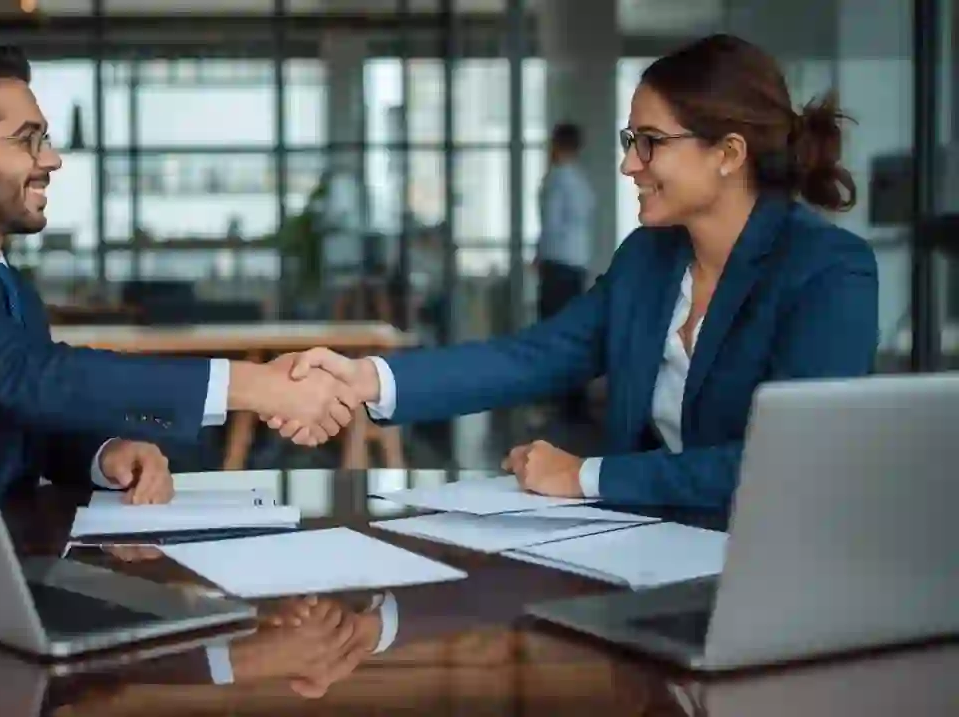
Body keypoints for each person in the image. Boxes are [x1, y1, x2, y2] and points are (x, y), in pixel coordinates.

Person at [272, 34, 879, 510]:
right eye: (629, 140)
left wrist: (586, 476)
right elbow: (532, 357)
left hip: (774, 570)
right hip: (647, 561)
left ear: (728, 153)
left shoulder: (828, 272)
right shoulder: (648, 258)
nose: (628, 164)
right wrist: (365, 379)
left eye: (650, 141)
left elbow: (788, 465)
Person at [0, 44, 358, 537]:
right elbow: (25, 379)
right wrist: (251, 385)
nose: (51, 159)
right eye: (27, 140)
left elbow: (21, 416)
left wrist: (103, 454)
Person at [535, 122, 596, 421]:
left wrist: (539, 256)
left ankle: (556, 403)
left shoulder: (557, 179)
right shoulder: (581, 182)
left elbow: (551, 226)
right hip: (576, 264)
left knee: (553, 334)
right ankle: (574, 405)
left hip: (557, 264)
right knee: (572, 333)